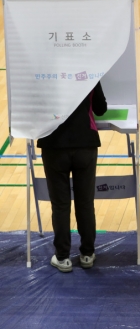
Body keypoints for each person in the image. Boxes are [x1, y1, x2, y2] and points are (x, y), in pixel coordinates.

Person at [38, 82, 107, 273]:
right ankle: (87, 254)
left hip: (53, 144)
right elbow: (101, 109)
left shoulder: (44, 73)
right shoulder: (89, 71)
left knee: (60, 204)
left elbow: (35, 108)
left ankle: (62, 257)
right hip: (85, 143)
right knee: (85, 203)